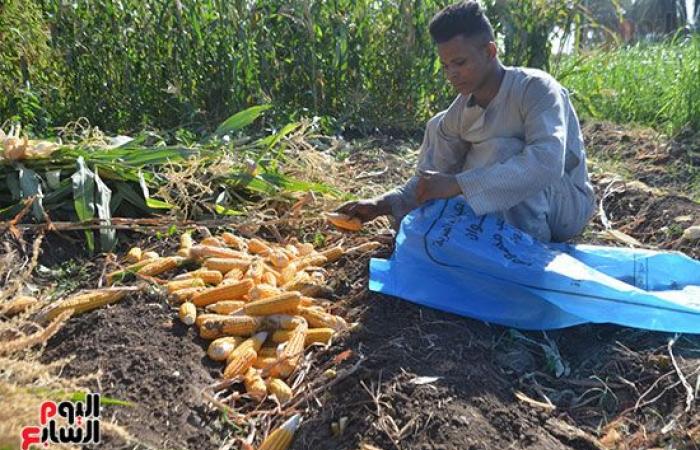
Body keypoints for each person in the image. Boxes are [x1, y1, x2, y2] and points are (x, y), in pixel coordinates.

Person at [337, 1, 596, 243]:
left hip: (564, 206)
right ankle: (430, 233)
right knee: (438, 126)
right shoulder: (460, 111)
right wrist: (382, 204)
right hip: (509, 208)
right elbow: (432, 178)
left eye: (460, 63)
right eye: (446, 65)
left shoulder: (536, 89)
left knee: (502, 151)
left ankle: (524, 257)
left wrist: (458, 184)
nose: (452, 74)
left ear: (490, 51)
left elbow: (546, 164)